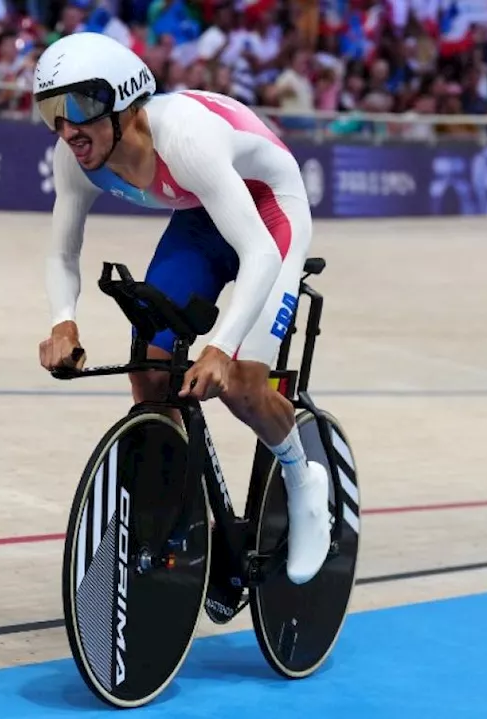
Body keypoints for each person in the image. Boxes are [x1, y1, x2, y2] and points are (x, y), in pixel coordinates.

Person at [33, 32, 332, 587]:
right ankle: (180, 515)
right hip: (204, 213)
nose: (66, 128)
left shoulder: (185, 137)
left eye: (79, 107)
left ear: (126, 104)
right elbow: (61, 249)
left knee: (241, 381)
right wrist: (62, 322)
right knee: (151, 365)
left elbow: (260, 252)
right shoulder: (75, 157)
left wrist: (219, 347)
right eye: (51, 110)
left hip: (268, 211)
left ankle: (302, 477)